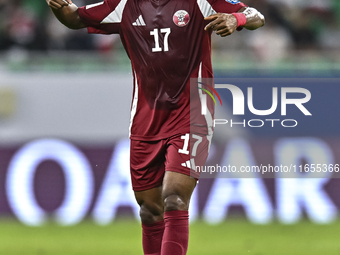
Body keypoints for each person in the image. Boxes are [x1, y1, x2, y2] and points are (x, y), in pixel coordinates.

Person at [45, 0, 264, 254]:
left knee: (174, 197)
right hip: (146, 118)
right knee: (149, 211)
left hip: (192, 111)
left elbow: (256, 16)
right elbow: (74, 18)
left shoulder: (200, 2)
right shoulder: (123, 5)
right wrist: (57, 5)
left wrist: (236, 19)